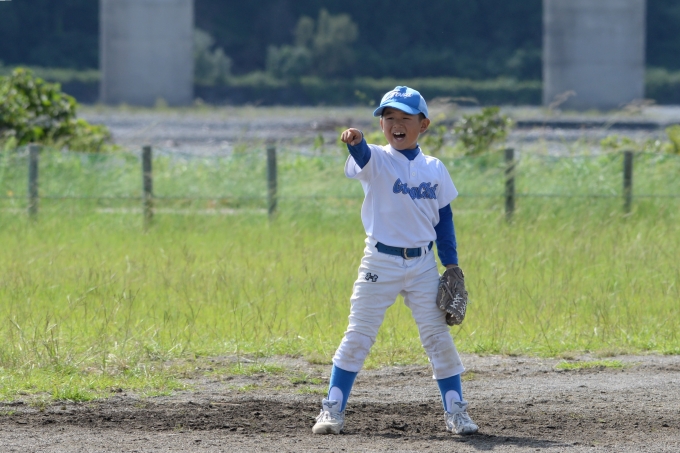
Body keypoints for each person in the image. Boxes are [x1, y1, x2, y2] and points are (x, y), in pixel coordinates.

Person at [312, 86, 478, 436]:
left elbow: (444, 220)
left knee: (438, 338)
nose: (396, 124)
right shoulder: (376, 159)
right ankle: (332, 409)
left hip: (422, 265)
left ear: (423, 125)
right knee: (359, 335)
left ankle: (456, 412)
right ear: (382, 125)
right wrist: (355, 140)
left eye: (405, 117)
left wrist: (451, 264)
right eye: (389, 118)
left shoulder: (435, 168)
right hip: (380, 262)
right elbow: (361, 154)